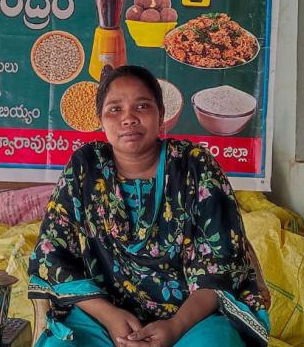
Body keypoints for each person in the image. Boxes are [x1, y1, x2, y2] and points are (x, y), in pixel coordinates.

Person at [28, 65, 270, 347]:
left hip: (190, 319)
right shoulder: (86, 166)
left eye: (142, 106)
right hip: (101, 319)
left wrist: (176, 327)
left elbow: (223, 263)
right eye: (115, 109)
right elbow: (51, 254)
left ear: (161, 114)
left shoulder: (194, 165)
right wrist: (109, 317)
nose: (128, 118)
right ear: (100, 120)